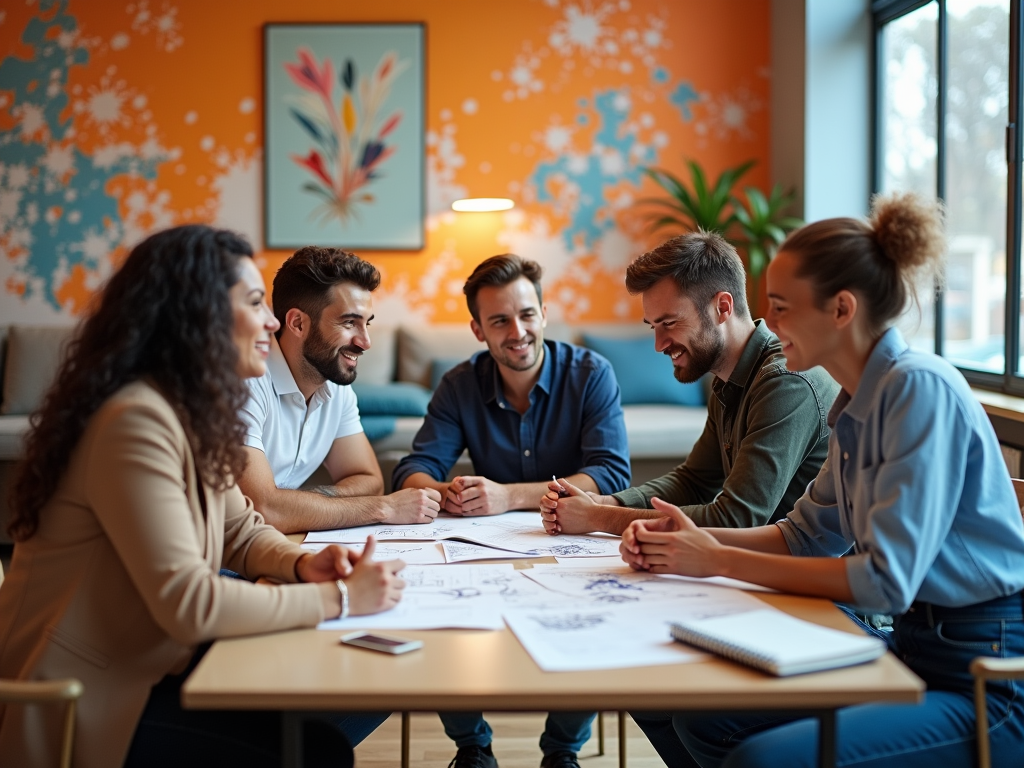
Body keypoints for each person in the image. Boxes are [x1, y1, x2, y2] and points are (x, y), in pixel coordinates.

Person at [620, 193, 1024, 768]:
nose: (768, 324)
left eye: (782, 307)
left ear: (841, 309)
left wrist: (719, 559)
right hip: (913, 648)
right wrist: (693, 546)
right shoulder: (858, 404)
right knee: (689, 708)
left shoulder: (917, 390)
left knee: (760, 758)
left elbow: (885, 582)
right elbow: (804, 535)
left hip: (985, 678)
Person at [0, 226, 406, 768]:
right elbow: (189, 603)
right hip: (85, 697)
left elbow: (240, 530)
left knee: (335, 709)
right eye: (256, 303)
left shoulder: (188, 411)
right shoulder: (134, 421)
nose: (270, 321)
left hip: (149, 662)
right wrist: (341, 599)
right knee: (317, 749)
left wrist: (304, 565)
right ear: (197, 315)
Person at [393, 254, 631, 768]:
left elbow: (612, 473)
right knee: (439, 610)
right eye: (500, 320)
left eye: (526, 314)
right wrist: (439, 491)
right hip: (484, 544)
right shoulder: (459, 384)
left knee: (592, 611)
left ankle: (562, 753)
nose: (517, 331)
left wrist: (509, 495)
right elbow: (415, 466)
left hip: (571, 536)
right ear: (478, 329)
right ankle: (472, 748)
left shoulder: (592, 374)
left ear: (544, 313)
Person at [540, 231, 838, 536]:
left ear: (722, 307)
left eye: (669, 323)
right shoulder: (729, 379)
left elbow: (736, 519)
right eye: (653, 326)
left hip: (808, 574)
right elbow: (693, 481)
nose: (658, 344)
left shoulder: (785, 383)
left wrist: (599, 518)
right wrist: (606, 502)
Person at [237, 246, 442, 534]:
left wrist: (300, 505)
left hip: (274, 544)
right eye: (349, 322)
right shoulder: (245, 382)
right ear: (297, 323)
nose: (365, 342)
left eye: (366, 324)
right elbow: (262, 509)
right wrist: (386, 507)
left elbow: (369, 480)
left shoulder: (336, 388)